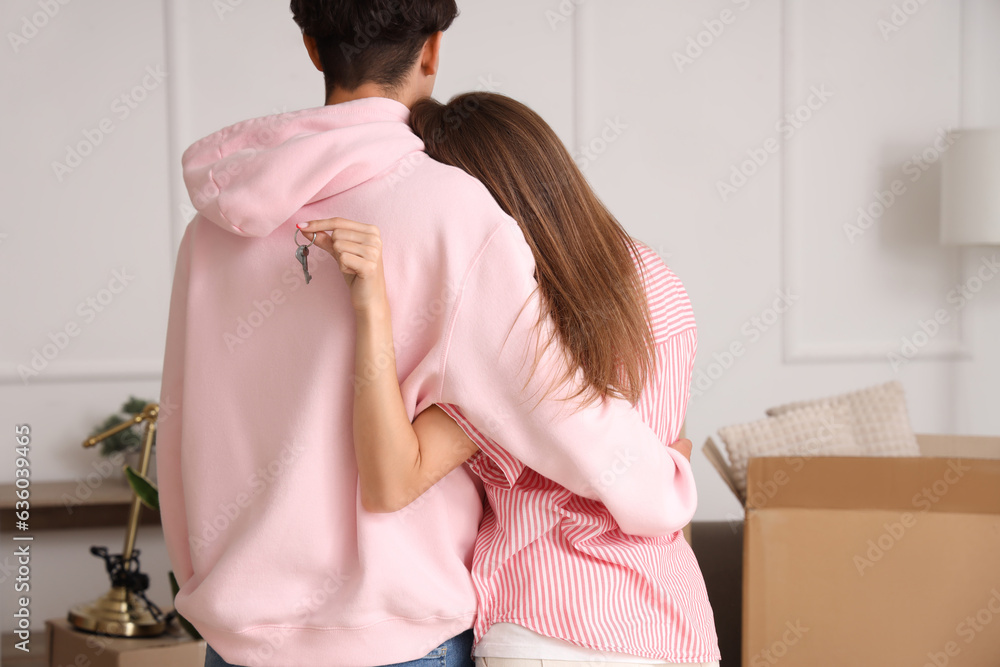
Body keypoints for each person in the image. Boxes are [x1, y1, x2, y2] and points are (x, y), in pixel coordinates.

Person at [157, 2, 699, 666]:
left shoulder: (211, 231)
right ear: (432, 52)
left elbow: (183, 427)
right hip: (395, 637)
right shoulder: (451, 209)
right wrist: (661, 478)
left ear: (311, 46)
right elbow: (551, 398)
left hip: (238, 639)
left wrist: (207, 585)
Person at [299, 92, 721, 666]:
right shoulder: (658, 282)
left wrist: (371, 307)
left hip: (543, 623)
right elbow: (670, 444)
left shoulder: (501, 324)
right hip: (670, 625)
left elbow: (391, 481)